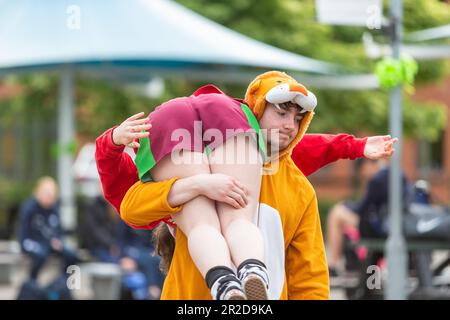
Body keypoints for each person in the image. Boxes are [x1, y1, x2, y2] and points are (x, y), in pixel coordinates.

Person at [96, 71, 396, 300]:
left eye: (298, 117)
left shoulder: (297, 187)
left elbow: (309, 274)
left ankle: (238, 278)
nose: (290, 125)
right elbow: (131, 208)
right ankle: (236, 277)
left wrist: (353, 146)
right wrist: (197, 185)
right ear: (253, 112)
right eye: (281, 113)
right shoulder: (200, 159)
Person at [325, 159, 409, 276]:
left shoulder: (377, 179)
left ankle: (333, 264)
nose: (364, 175)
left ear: (368, 164)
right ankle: (337, 263)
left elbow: (362, 209)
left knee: (337, 214)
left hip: (380, 227)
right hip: (394, 224)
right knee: (339, 212)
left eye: (363, 171)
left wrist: (345, 205)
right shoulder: (397, 173)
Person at [17, 177, 80, 282]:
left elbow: (58, 230)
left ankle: (63, 284)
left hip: (51, 243)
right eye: (47, 193)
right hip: (33, 242)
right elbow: (24, 233)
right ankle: (32, 283)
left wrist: (57, 240)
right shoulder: (29, 208)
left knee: (72, 255)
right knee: (41, 255)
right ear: (38, 192)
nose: (50, 197)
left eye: (52, 194)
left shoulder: (54, 208)